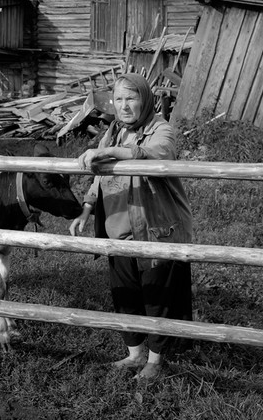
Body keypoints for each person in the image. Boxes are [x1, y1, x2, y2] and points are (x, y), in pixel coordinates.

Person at [69, 73, 193, 380]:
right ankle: (135, 355)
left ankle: (155, 361)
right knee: (125, 295)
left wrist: (110, 152)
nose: (124, 106)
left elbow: (159, 154)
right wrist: (86, 208)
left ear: (145, 100)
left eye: (131, 98)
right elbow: (99, 175)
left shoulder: (160, 128)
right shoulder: (112, 131)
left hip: (155, 230)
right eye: (119, 99)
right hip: (117, 230)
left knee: (156, 298)